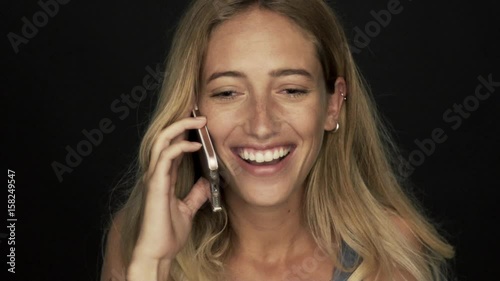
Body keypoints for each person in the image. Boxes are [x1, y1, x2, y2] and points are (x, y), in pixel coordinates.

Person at [100, 0, 455, 280]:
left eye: (291, 90)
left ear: (333, 105)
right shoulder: (136, 239)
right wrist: (152, 265)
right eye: (227, 93)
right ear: (191, 108)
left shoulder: (388, 253)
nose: (261, 124)